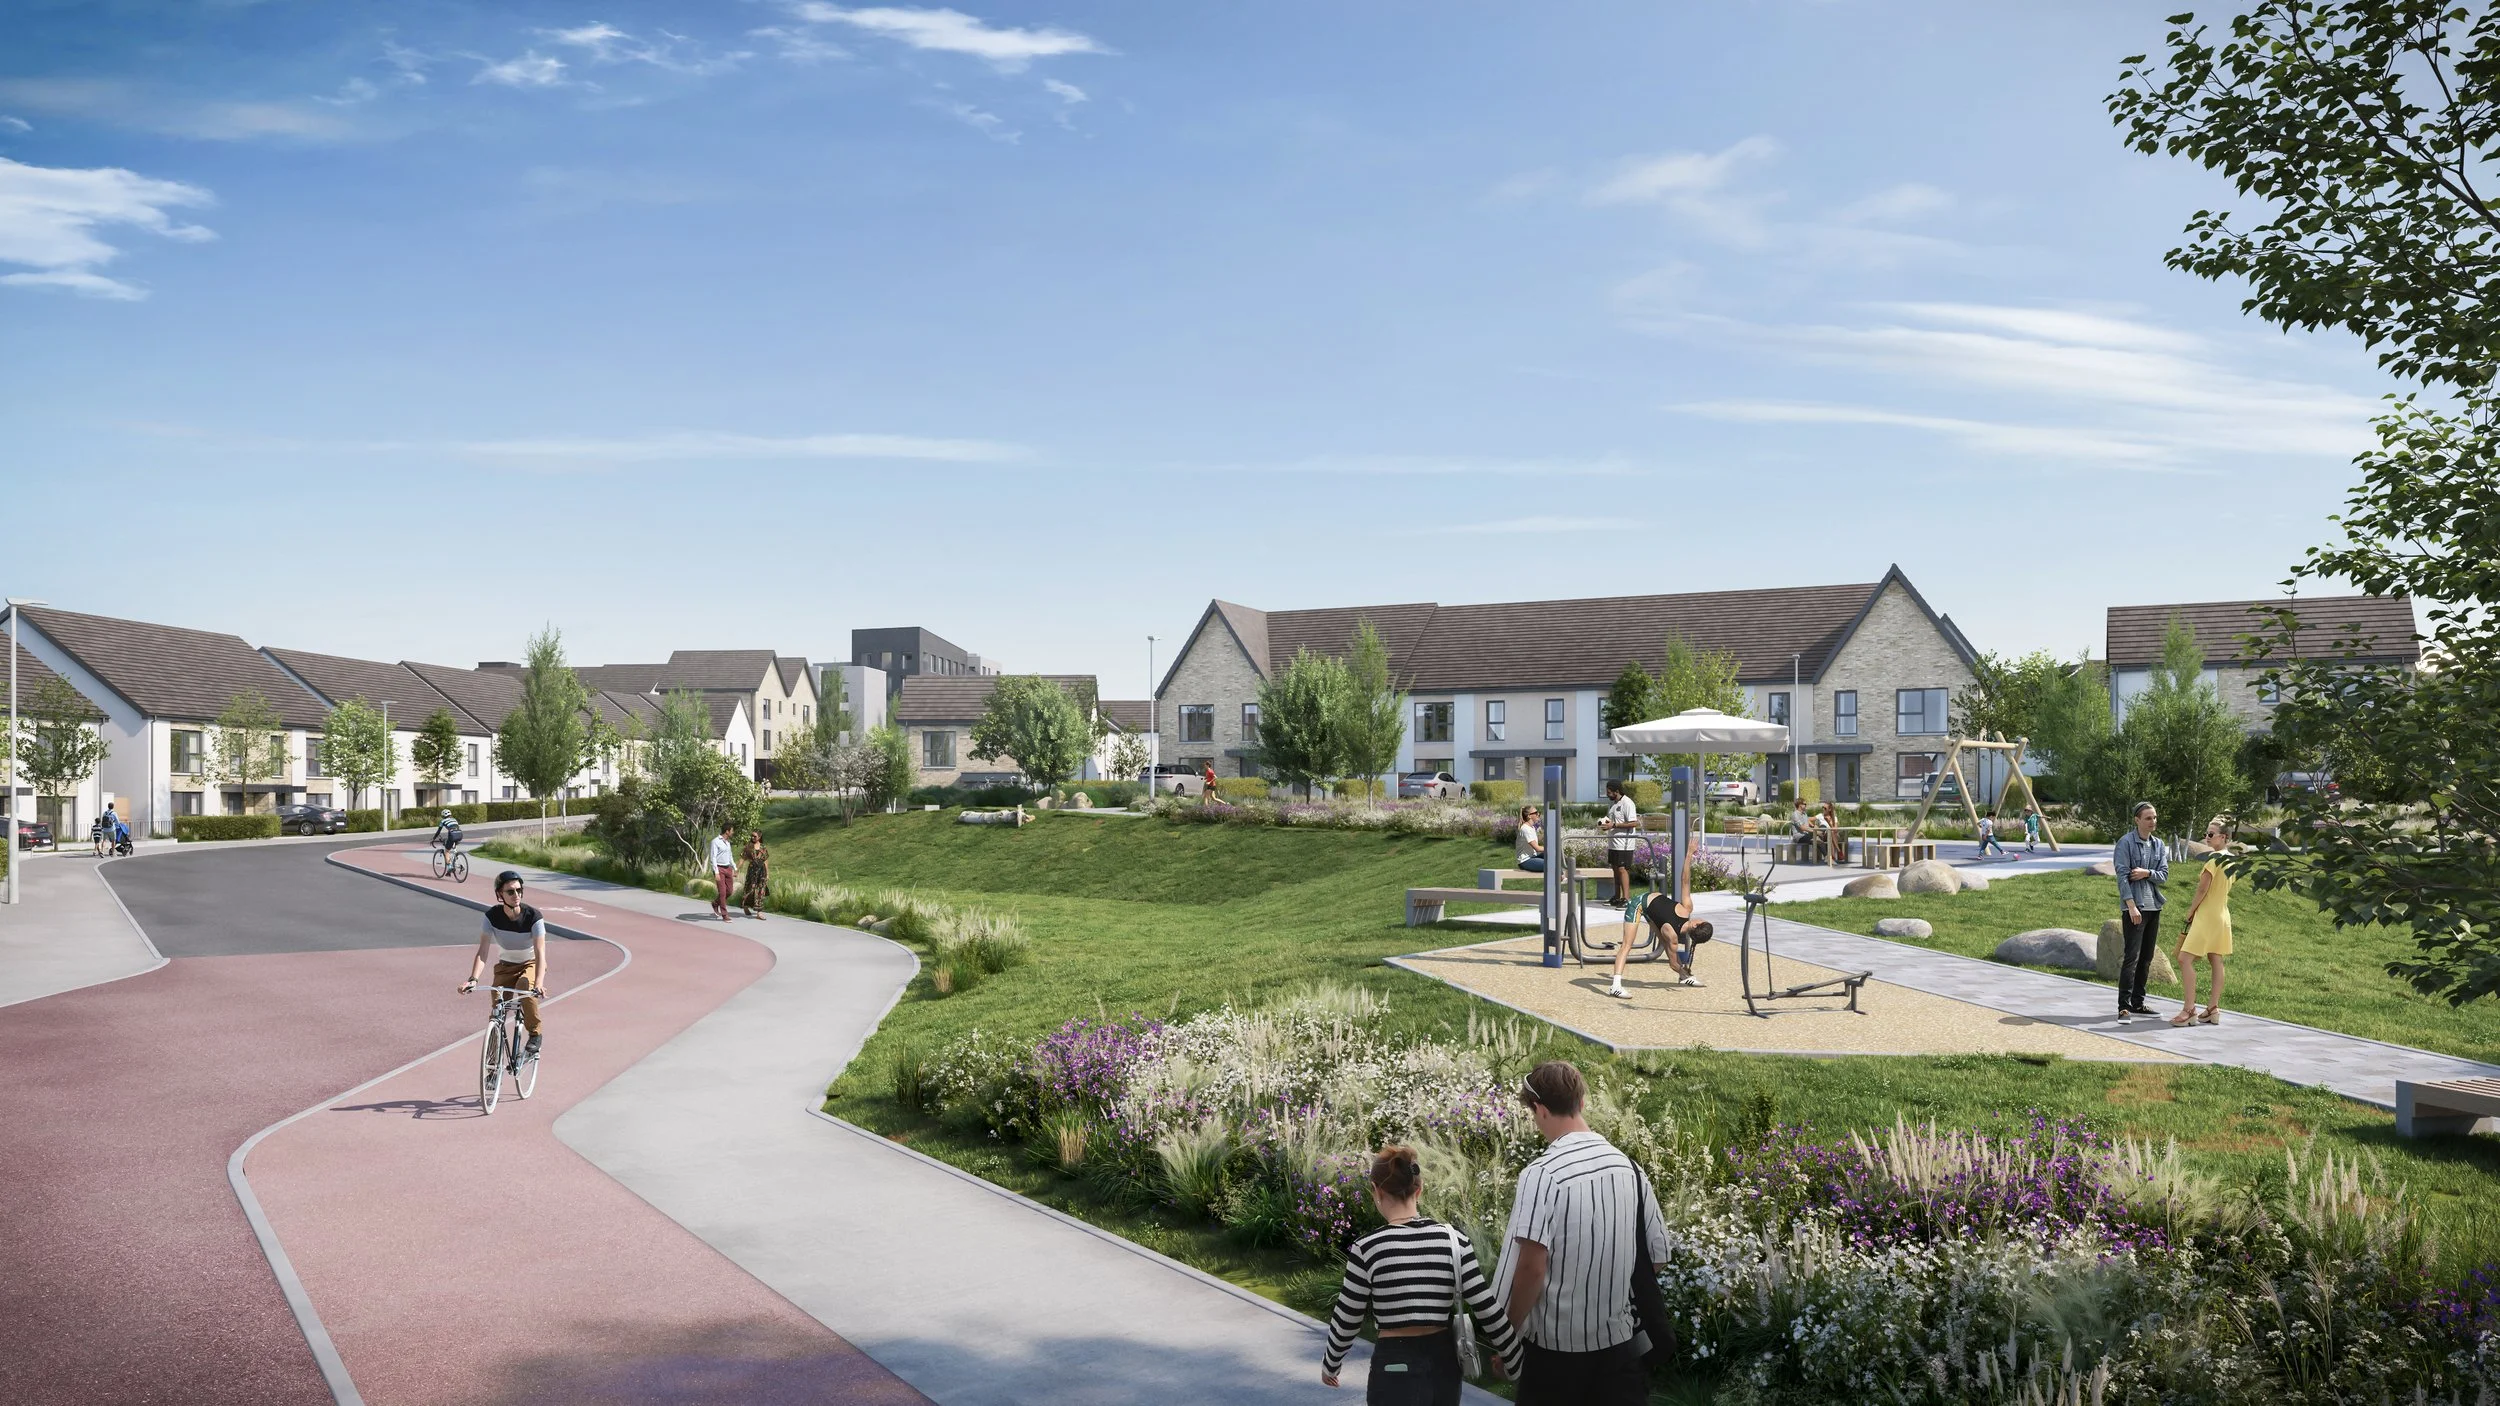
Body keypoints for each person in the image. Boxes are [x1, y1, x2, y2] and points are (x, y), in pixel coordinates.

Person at [1495, 1061, 1670, 1406]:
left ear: (1540, 1110)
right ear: (1582, 1103)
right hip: (1619, 1356)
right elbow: (1658, 1255)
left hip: (1555, 1361)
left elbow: (1532, 1268)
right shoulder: (1629, 1168)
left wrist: (1508, 1337)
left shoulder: (1542, 1174)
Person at [1321, 1145, 1522, 1401]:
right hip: (1443, 1365)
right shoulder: (1454, 1242)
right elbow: (1487, 1308)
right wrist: (1514, 1361)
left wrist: (1331, 1362)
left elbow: (1347, 1317)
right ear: (1420, 1189)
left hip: (1393, 1366)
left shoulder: (1368, 1248)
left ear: (1376, 1191)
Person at [460, 870, 546, 1061]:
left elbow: (540, 952)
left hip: (530, 964)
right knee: (497, 1014)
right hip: (505, 966)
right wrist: (473, 979)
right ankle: (492, 1064)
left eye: (519, 890)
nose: (517, 895)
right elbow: (483, 951)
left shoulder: (534, 917)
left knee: (525, 987)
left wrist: (538, 982)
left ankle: (535, 1034)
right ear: (500, 895)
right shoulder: (491, 916)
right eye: (511, 892)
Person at [2171, 817, 2236, 1027]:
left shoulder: (2213, 860)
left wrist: (2190, 912)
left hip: (2207, 915)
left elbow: (2202, 889)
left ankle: (2189, 1009)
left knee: (2184, 959)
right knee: (2216, 959)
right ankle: (2213, 1008)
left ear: (2223, 837)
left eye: (2211, 834)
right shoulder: (2231, 860)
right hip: (2223, 914)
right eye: (2206, 834)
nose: (2206, 837)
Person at [2113, 802, 2169, 1018]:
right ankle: (2124, 1006)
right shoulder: (2125, 843)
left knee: (2146, 957)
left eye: (2154, 817)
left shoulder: (2158, 844)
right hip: (2135, 908)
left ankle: (2138, 1002)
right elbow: (2122, 876)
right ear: (2137, 820)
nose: (2152, 821)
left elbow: (2164, 875)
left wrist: (2147, 872)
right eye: (2148, 818)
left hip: (2154, 907)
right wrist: (2131, 907)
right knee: (2132, 958)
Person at [708, 820, 737, 921]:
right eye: (732, 831)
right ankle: (725, 915)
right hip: (719, 869)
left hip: (728, 868)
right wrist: (716, 872)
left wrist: (735, 868)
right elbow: (713, 858)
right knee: (723, 892)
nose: (733, 832)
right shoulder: (715, 842)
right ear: (727, 831)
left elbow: (730, 856)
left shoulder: (728, 843)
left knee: (729, 891)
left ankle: (715, 903)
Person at [739, 829, 770, 919]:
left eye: (755, 836)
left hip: (762, 871)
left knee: (761, 891)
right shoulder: (748, 847)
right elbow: (742, 859)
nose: (752, 837)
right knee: (750, 889)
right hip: (752, 871)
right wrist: (736, 870)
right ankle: (745, 906)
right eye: (751, 836)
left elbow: (765, 861)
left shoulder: (763, 847)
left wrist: (767, 873)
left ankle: (759, 913)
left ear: (759, 837)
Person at [1515, 805, 1546, 874]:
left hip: (1532, 857)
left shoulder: (1532, 828)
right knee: (1550, 864)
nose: (1538, 814)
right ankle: (1562, 878)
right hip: (1525, 861)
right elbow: (1537, 848)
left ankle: (1562, 877)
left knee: (1553, 856)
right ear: (1529, 816)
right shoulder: (1525, 829)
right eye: (1536, 813)